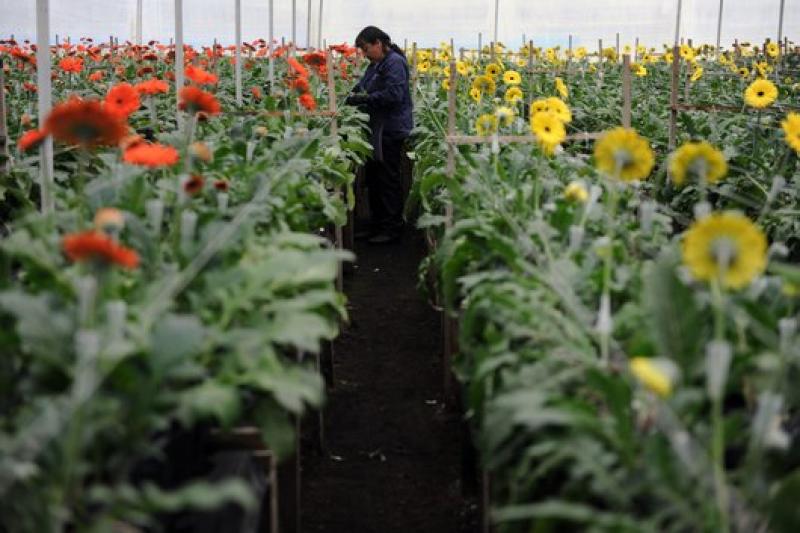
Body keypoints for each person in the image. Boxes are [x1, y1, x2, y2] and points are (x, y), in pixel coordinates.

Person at [345, 26, 413, 244]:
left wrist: (364, 99)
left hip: (391, 129)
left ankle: (392, 229)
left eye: (366, 49)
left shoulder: (394, 62)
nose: (364, 54)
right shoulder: (377, 64)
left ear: (378, 43)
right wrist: (353, 94)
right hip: (378, 128)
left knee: (387, 179)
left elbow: (394, 94)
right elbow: (364, 85)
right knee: (375, 178)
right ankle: (377, 225)